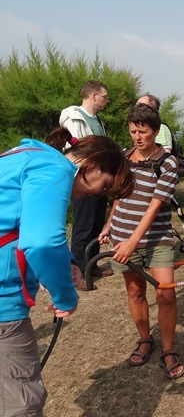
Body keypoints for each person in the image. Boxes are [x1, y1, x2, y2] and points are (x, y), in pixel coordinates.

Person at [0, 127, 133, 417]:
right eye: (104, 186)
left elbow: (18, 226)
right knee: (22, 403)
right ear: (91, 166)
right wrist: (65, 297)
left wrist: (68, 263)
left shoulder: (25, 155)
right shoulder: (56, 169)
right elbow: (42, 242)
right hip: (3, 303)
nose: (98, 194)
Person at [98, 104, 184, 379]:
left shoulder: (167, 163)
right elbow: (119, 195)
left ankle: (168, 350)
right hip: (123, 236)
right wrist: (109, 225)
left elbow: (155, 204)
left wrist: (133, 242)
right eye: (133, 130)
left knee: (165, 293)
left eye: (143, 132)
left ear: (156, 132)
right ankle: (145, 339)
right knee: (135, 292)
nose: (137, 137)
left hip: (156, 237)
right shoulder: (124, 157)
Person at [59, 80, 112, 288]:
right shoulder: (74, 119)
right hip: (84, 181)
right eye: (105, 96)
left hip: (99, 179)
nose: (107, 100)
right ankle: (78, 271)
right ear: (93, 96)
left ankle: (92, 264)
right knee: (83, 226)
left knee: (97, 223)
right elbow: (77, 152)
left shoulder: (96, 119)